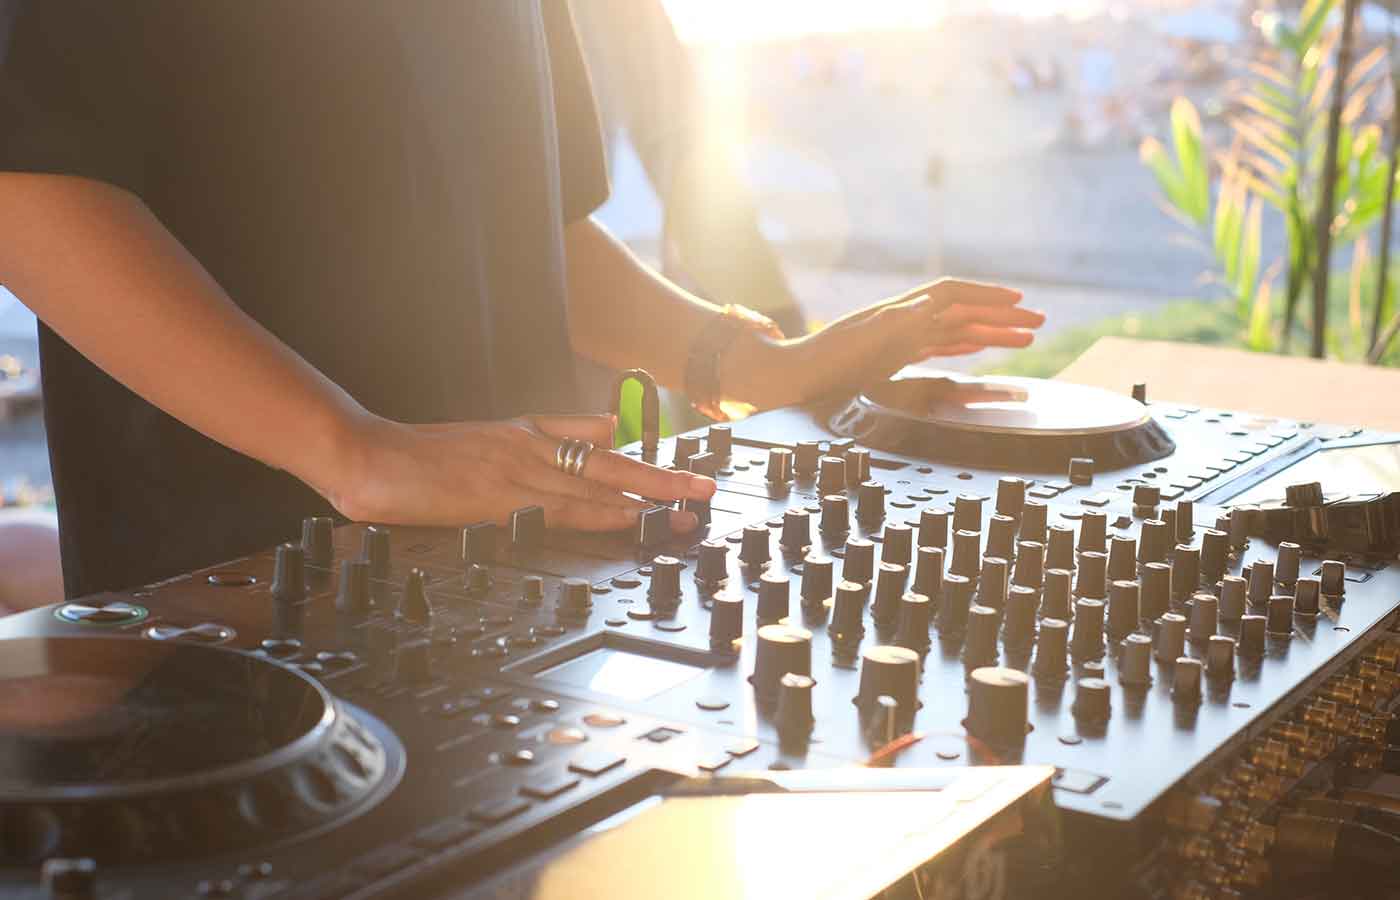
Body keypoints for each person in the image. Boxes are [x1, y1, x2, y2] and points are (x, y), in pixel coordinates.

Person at [0, 1, 1044, 601]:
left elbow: (530, 229)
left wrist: (736, 363)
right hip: (236, 590)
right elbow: (26, 179)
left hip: (522, 546)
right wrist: (351, 446)